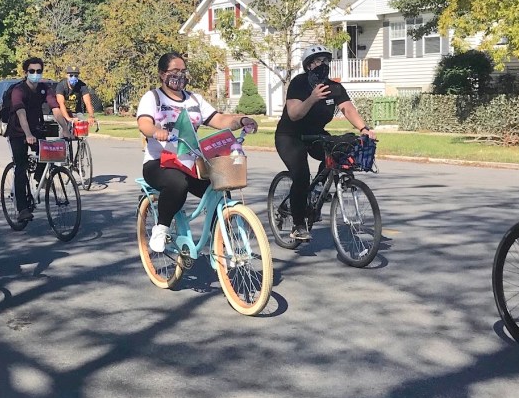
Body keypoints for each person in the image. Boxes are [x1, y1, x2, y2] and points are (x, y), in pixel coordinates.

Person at [137, 52, 258, 253]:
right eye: (174, 72)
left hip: (190, 162)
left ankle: (220, 238)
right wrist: (157, 132)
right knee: (178, 184)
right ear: (161, 74)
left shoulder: (195, 99)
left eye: (183, 71)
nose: (180, 76)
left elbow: (219, 119)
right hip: (159, 162)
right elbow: (144, 124)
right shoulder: (153, 98)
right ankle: (162, 227)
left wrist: (241, 120)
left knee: (220, 184)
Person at [274, 44, 376, 242]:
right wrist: (312, 98)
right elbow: (294, 115)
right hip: (290, 135)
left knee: (339, 152)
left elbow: (348, 109)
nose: (323, 65)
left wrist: (364, 129)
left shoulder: (334, 87)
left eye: (326, 61)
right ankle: (298, 225)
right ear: (308, 65)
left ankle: (318, 190)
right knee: (301, 175)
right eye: (318, 61)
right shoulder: (299, 83)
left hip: (315, 134)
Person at [5, 56, 67, 222]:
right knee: (21, 166)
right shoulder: (19, 90)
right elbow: (21, 113)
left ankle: (40, 177)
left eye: (38, 71)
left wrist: (66, 128)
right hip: (17, 132)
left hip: (36, 129)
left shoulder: (44, 88)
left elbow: (55, 108)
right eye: (32, 71)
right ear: (26, 72)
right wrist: (27, 134)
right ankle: (22, 209)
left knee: (47, 155)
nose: (35, 74)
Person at [55, 65, 96, 134]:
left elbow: (88, 103)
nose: (73, 77)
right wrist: (68, 118)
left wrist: (91, 116)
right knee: (64, 129)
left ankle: (81, 143)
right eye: (71, 75)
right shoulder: (61, 85)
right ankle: (64, 141)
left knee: (82, 128)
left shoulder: (82, 85)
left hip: (77, 112)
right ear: (67, 76)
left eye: (76, 76)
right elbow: (61, 104)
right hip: (63, 112)